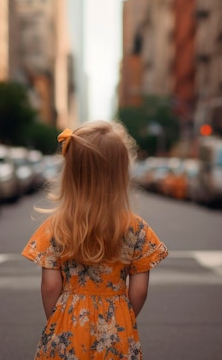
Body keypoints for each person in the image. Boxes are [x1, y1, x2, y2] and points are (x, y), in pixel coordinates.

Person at [21, 120, 168, 360]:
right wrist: (122, 317)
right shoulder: (137, 229)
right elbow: (139, 290)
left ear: (71, 173)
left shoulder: (55, 228)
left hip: (66, 326)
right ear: (121, 173)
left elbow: (50, 286)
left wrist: (58, 319)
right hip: (117, 332)